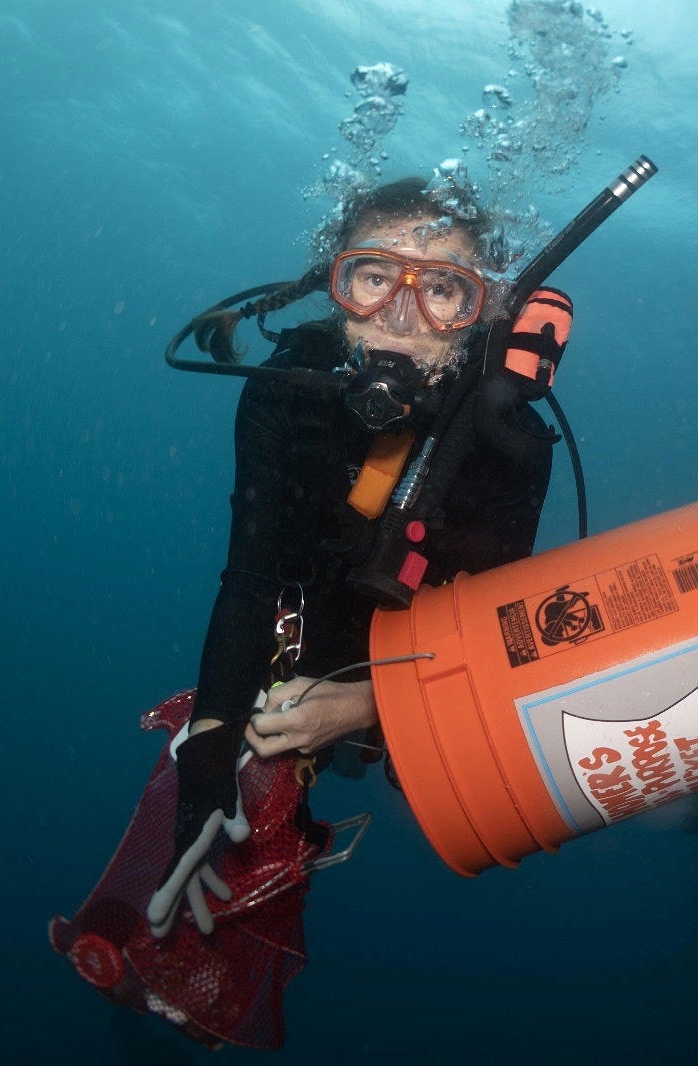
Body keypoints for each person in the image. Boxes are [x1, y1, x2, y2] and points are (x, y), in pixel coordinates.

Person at [147, 178, 557, 937]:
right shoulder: (283, 392)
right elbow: (249, 575)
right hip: (295, 635)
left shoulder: (512, 445)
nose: (401, 317)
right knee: (226, 792)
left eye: (442, 289)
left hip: (418, 661)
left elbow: (500, 634)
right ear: (337, 287)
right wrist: (207, 748)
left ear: (482, 314)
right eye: (373, 277)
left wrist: (373, 706)